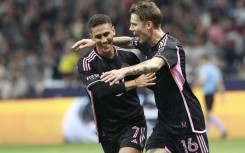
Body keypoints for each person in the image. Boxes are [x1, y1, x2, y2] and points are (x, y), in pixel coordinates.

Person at [72, 1, 209, 153]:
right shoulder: (147, 43)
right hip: (165, 123)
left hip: (187, 121)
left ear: (148, 25)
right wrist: (98, 41)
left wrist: (124, 72)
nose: (131, 29)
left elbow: (155, 64)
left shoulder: (171, 46)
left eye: (134, 24)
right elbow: (129, 41)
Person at [76, 14, 156, 153]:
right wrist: (135, 82)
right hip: (107, 130)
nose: (104, 40)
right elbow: (100, 91)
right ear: (92, 37)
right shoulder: (86, 62)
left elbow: (149, 81)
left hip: (134, 122)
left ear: (113, 31)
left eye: (106, 34)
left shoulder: (129, 56)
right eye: (98, 36)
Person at [194, 55, 227, 139]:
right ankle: (208, 133)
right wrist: (223, 94)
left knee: (209, 114)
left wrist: (193, 88)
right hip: (212, 93)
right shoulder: (215, 69)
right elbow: (219, 82)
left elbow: (202, 79)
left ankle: (222, 130)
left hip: (207, 93)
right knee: (208, 114)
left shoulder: (204, 68)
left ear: (204, 60)